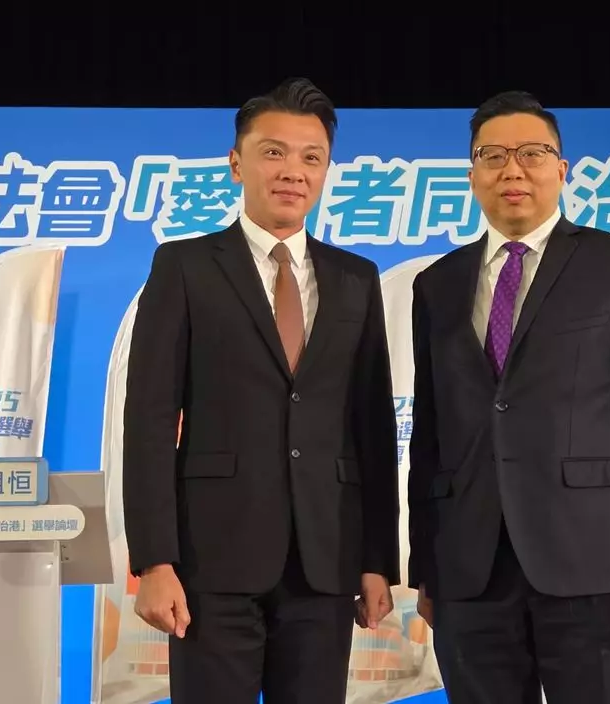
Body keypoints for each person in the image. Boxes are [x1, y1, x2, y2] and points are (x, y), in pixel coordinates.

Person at [407, 90, 610, 704]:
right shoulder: (437, 284)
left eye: (532, 154)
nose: (512, 169)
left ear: (561, 170)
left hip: (594, 563)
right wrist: (426, 566)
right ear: (472, 175)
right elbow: (430, 434)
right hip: (469, 572)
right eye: (493, 156)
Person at [122, 77, 401, 704]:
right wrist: (155, 562)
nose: (292, 171)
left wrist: (376, 558)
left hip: (325, 558)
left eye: (311, 157)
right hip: (211, 558)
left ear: (326, 171)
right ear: (236, 162)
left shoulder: (356, 278)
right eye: (273, 152)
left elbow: (371, 428)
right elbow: (148, 420)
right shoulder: (185, 266)